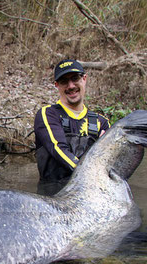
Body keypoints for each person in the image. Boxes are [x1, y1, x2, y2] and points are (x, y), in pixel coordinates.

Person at [34, 59, 110, 195]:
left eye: (75, 79)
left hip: (91, 194)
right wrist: (88, 175)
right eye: (64, 81)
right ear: (57, 85)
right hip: (53, 198)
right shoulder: (48, 114)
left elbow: (108, 163)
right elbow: (58, 149)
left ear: (84, 79)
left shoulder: (101, 122)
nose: (70, 86)